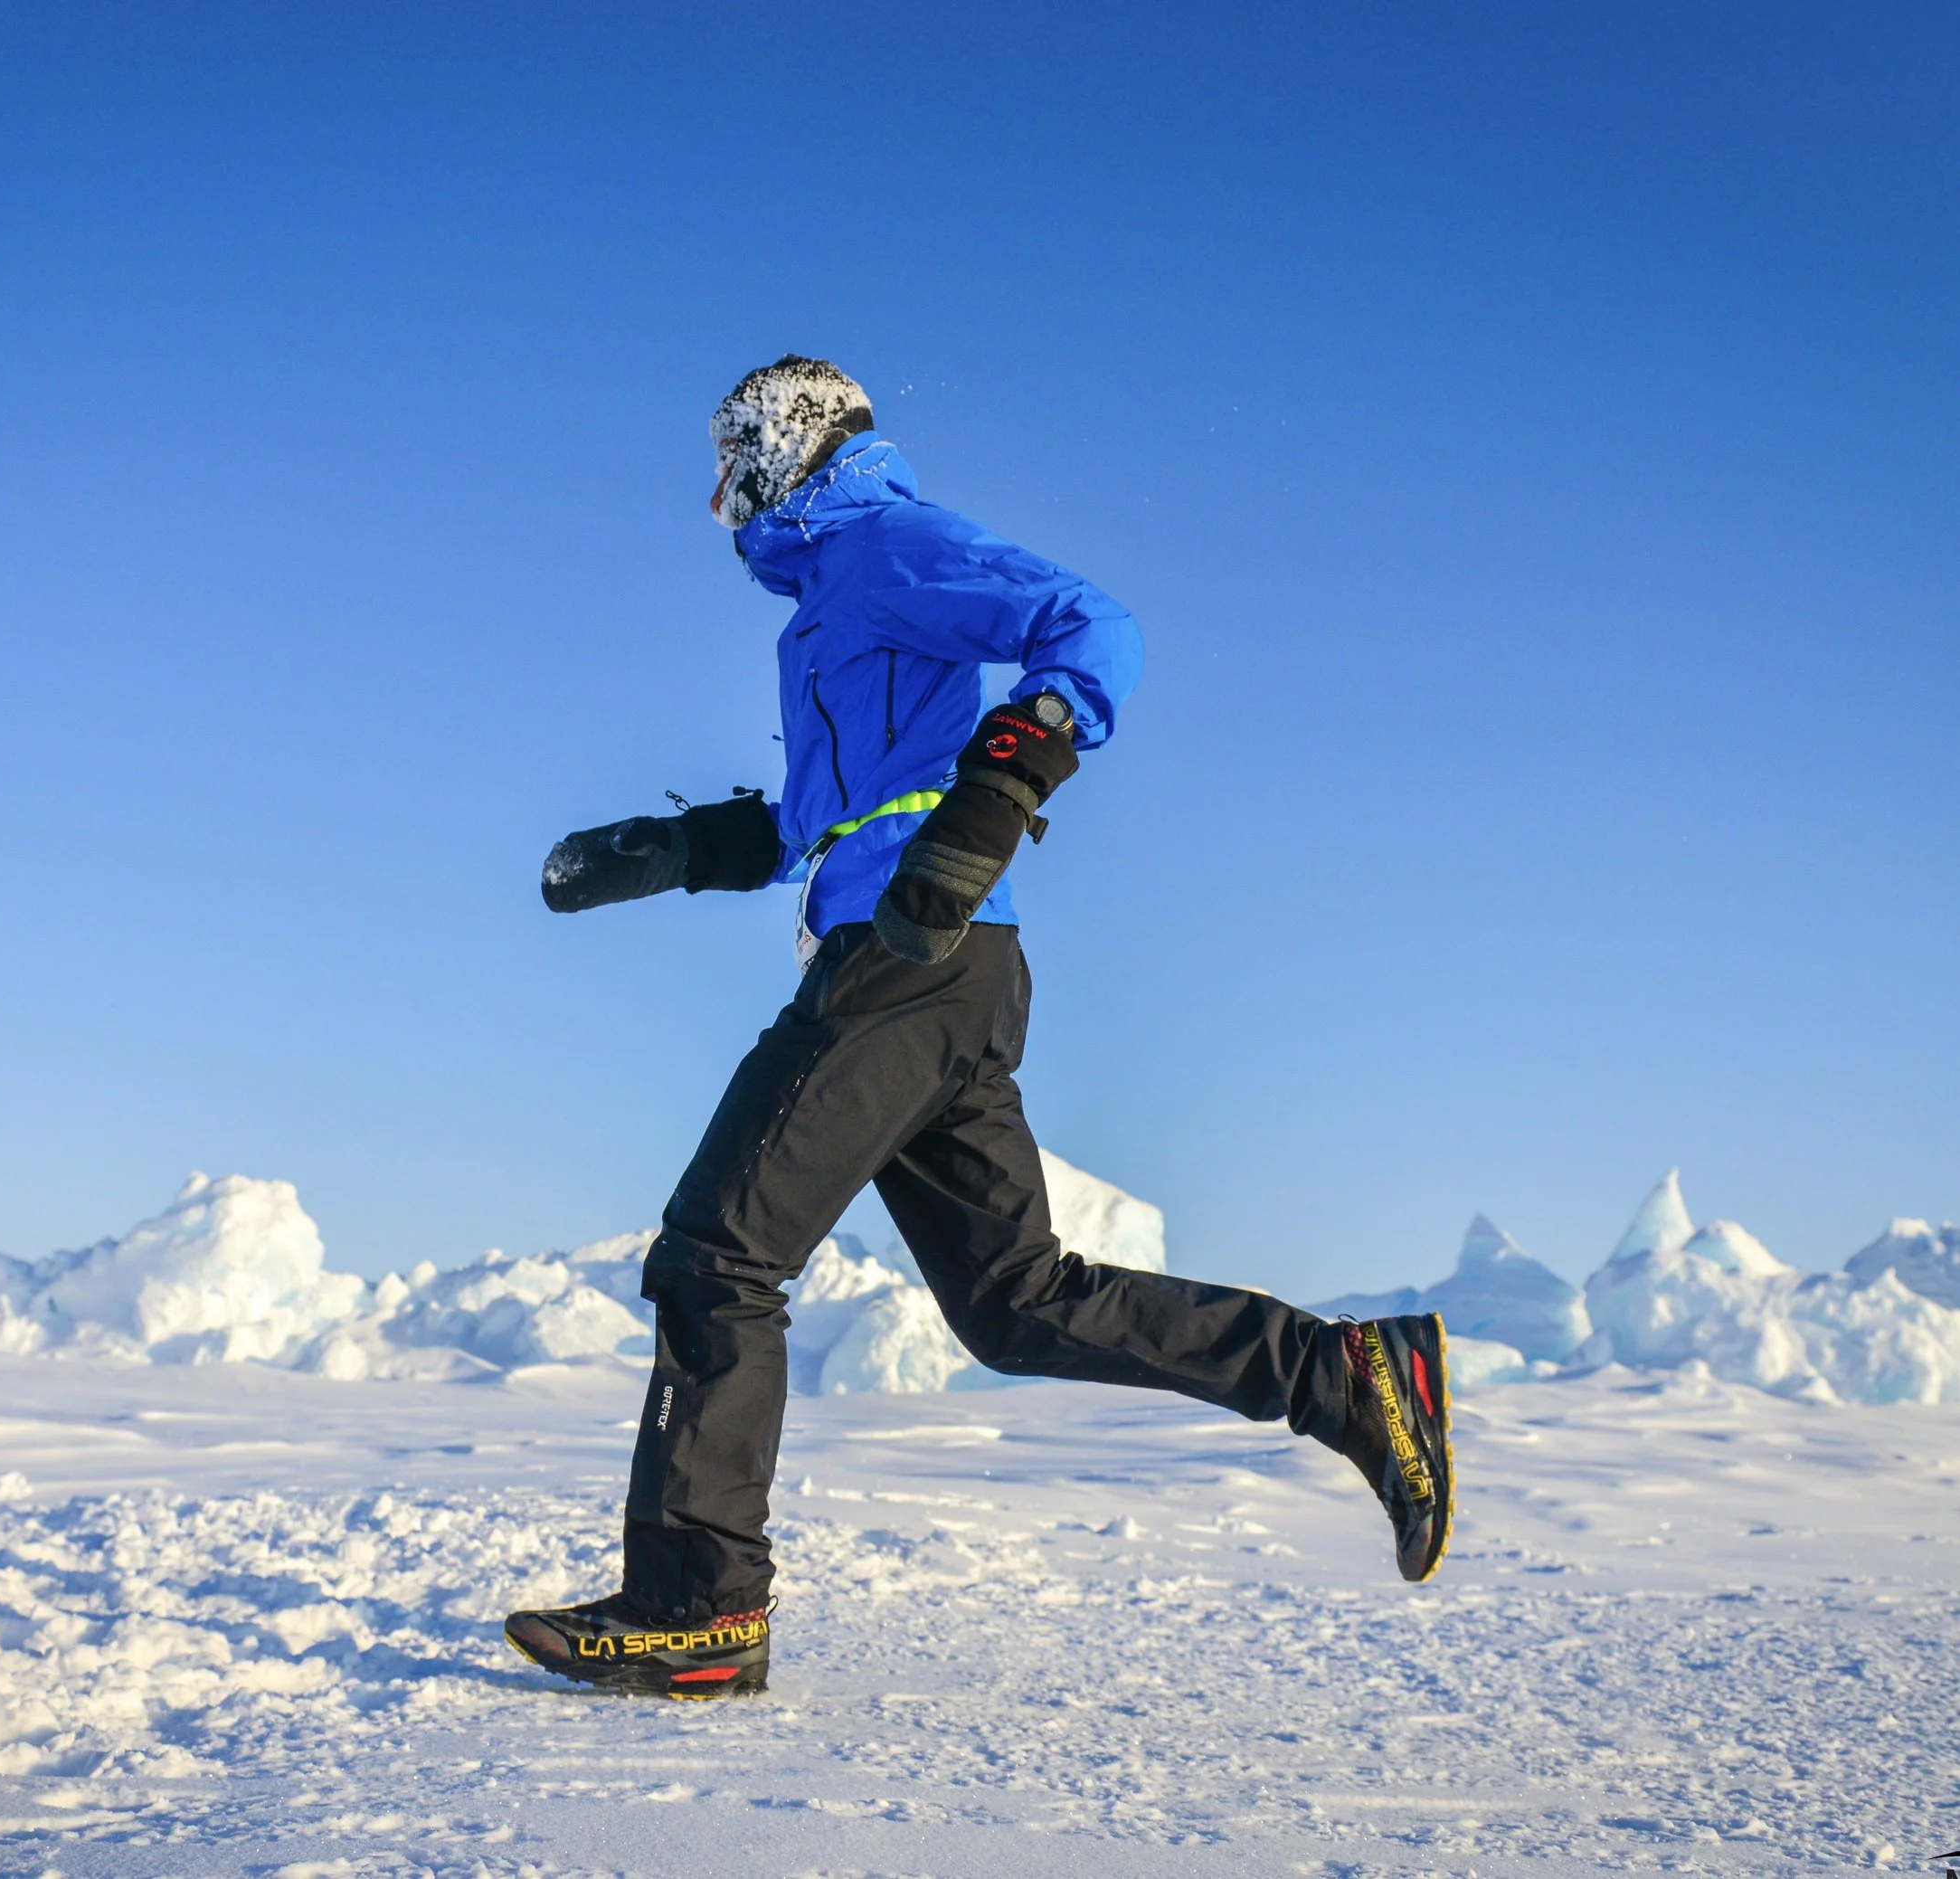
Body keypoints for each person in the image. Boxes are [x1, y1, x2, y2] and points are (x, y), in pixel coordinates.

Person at [505, 356, 1453, 1699]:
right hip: (931, 957)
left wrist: (998, 795)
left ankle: (699, 1605)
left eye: (735, 452)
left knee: (717, 1253)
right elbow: (816, 823)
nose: (721, 489)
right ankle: (1342, 1373)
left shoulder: (884, 542)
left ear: (790, 441)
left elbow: (1092, 627)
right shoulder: (824, 606)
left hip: (913, 960)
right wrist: (676, 848)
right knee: (1016, 1306)